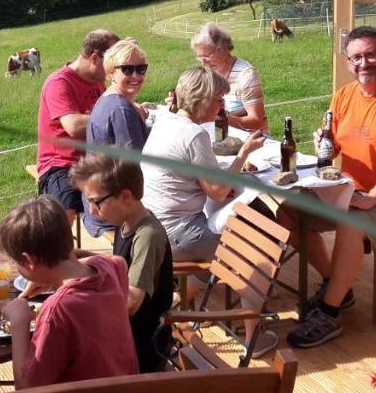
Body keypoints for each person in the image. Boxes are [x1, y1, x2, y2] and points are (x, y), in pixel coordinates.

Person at [282, 25, 376, 349]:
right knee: (288, 214)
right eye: (356, 58)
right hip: (351, 190)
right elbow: (334, 147)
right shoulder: (343, 95)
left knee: (351, 220)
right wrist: (324, 144)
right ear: (348, 63)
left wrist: (372, 198)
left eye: (370, 55)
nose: (364, 63)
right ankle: (337, 284)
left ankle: (329, 312)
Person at [0, 196, 137, 393]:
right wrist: (58, 275)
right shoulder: (111, 268)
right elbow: (118, 261)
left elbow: (28, 392)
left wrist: (18, 324)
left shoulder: (58, 310)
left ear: (28, 260)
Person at [141, 66, 263, 263]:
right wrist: (244, 153)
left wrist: (222, 184)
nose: (222, 107)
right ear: (203, 99)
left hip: (151, 225)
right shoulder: (194, 134)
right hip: (177, 235)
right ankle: (203, 288)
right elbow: (217, 192)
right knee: (254, 245)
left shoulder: (165, 120)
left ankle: (189, 287)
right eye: (219, 100)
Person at [69, 154, 172, 372]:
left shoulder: (148, 236)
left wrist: (82, 310)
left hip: (139, 348)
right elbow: (120, 264)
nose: (92, 210)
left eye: (96, 201)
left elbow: (131, 303)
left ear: (125, 196)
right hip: (122, 335)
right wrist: (71, 258)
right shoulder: (125, 221)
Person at [36, 29, 119, 226]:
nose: (114, 70)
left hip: (95, 161)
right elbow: (73, 126)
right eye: (112, 64)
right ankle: (56, 254)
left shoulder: (97, 82)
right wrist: (115, 114)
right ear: (95, 58)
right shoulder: (59, 83)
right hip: (62, 164)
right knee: (66, 211)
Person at [81, 38, 150, 236]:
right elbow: (137, 168)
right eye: (127, 69)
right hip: (111, 213)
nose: (136, 75)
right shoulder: (121, 110)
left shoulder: (107, 99)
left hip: (97, 201)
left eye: (141, 69)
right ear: (111, 72)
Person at [192, 22, 268, 133]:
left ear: (224, 48)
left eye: (207, 56)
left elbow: (257, 121)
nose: (203, 63)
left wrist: (218, 117)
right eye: (200, 57)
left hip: (250, 140)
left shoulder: (246, 75)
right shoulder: (207, 73)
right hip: (220, 137)